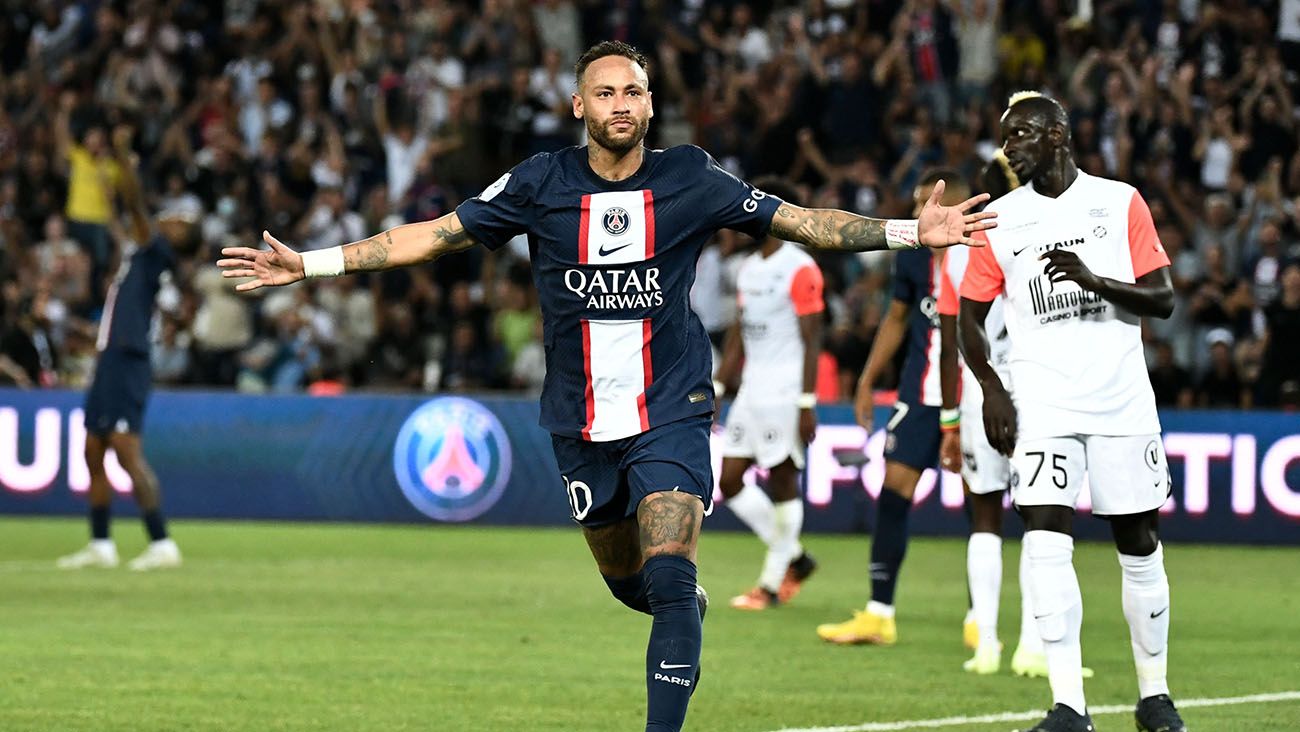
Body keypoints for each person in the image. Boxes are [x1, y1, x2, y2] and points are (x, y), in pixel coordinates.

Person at [218, 41, 995, 732]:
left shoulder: (689, 176)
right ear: (579, 104)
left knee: (669, 568)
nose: (621, 106)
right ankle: (678, 613)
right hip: (580, 420)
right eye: (606, 93)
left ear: (650, 104)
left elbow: (800, 220)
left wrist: (906, 231)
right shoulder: (539, 181)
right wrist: (310, 264)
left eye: (633, 92)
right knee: (635, 589)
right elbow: (433, 235)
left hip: (672, 407)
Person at [958, 92, 1185, 732]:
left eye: (1023, 135)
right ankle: (1068, 706)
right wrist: (992, 389)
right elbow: (966, 321)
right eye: (1006, 140)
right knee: (1045, 541)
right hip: (1044, 402)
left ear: (1059, 135)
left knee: (1139, 547)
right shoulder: (998, 221)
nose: (1011, 149)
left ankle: (1154, 695)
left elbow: (1162, 300)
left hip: (1121, 401)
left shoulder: (1120, 202)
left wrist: (1093, 279)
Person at [937, 152, 1095, 680]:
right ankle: (1034, 646)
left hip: (983, 392)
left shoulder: (962, 246)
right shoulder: (1050, 232)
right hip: (1039, 390)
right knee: (1041, 518)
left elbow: (948, 340)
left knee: (984, 520)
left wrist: (950, 420)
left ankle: (986, 645)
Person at [816, 169, 970, 646]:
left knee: (983, 505)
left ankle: (980, 618)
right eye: (918, 203)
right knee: (894, 492)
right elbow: (898, 319)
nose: (922, 213)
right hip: (920, 394)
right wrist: (866, 380)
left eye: (933, 202)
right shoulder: (914, 257)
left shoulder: (987, 254)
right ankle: (879, 613)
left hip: (978, 394)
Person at [57, 125, 191, 572]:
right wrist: (105, 183)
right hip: (110, 356)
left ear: (178, 237)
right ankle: (101, 543)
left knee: (124, 449)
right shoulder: (140, 253)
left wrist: (122, 158)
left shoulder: (158, 254)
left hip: (130, 358)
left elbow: (134, 207)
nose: (169, 219)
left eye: (177, 220)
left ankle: (161, 542)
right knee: (93, 449)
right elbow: (123, 220)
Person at [714, 177, 822, 611]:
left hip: (785, 390)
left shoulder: (800, 267)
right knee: (729, 480)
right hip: (751, 390)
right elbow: (739, 330)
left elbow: (813, 338)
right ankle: (795, 557)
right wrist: (721, 383)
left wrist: (807, 402)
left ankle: (772, 583)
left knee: (783, 483)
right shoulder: (749, 268)